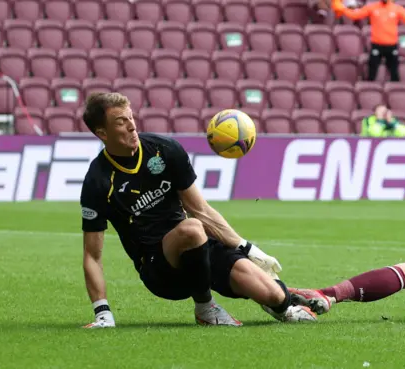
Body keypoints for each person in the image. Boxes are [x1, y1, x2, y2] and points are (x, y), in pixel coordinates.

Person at [80, 92, 315, 328]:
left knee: (274, 296)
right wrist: (103, 313)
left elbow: (200, 209)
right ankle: (206, 308)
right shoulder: (98, 181)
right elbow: (92, 255)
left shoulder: (164, 149)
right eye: (121, 122)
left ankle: (288, 298)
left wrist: (247, 248)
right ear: (102, 133)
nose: (132, 126)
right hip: (159, 268)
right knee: (192, 229)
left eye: (131, 117)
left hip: (199, 247)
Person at [332, 0, 405, 82]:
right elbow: (355, 15)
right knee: (372, 74)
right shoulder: (372, 7)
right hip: (377, 45)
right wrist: (343, 8)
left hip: (391, 46)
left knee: (394, 75)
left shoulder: (397, 9)